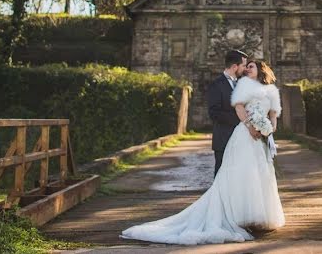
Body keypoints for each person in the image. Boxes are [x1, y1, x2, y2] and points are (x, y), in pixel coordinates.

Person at [120, 59, 285, 245]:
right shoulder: (243, 86)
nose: (247, 69)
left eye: (251, 66)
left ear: (261, 70)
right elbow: (239, 108)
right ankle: (239, 216)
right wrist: (250, 127)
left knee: (260, 173)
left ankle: (259, 217)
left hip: (261, 139)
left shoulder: (272, 91)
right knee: (240, 173)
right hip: (244, 136)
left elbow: (273, 115)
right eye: (246, 66)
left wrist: (269, 129)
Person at [207, 49, 247, 177]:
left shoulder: (243, 83)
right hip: (224, 139)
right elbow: (214, 113)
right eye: (243, 65)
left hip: (242, 140)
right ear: (235, 67)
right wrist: (241, 119)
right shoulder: (216, 85)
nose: (245, 69)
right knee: (221, 176)